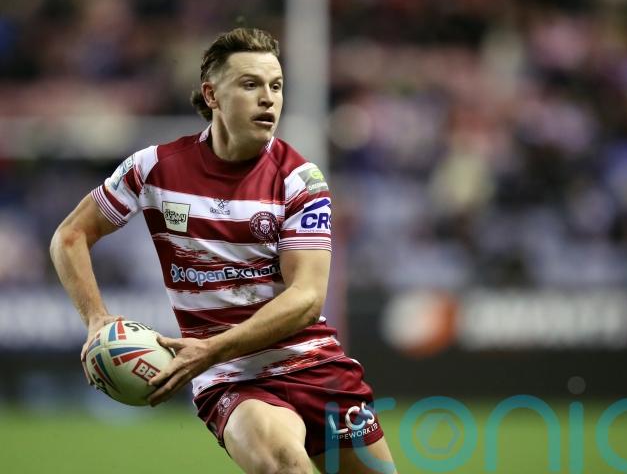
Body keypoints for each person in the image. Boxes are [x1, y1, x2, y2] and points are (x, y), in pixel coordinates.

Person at [50, 27, 396, 474]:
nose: (268, 98)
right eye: (250, 84)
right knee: (285, 465)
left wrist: (209, 348)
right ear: (212, 95)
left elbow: (307, 298)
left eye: (276, 86)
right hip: (232, 379)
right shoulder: (153, 168)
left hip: (314, 365)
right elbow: (70, 236)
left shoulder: (300, 180)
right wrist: (95, 318)